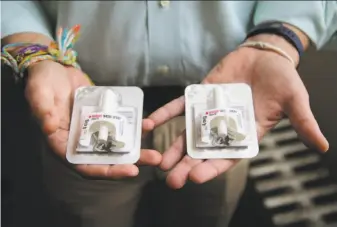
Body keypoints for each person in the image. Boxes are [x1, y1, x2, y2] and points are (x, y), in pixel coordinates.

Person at [2, 1, 336, 227]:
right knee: (86, 217)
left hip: (224, 97)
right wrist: (32, 48)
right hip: (77, 102)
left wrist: (279, 37)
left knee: (205, 214)